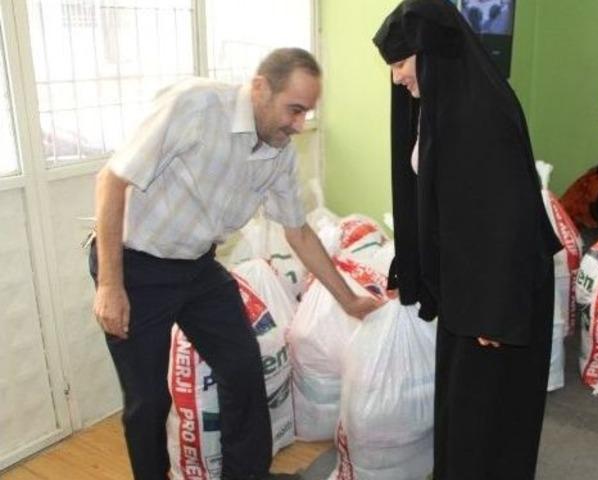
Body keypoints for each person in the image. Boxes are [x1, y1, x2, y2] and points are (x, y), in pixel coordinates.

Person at [89, 48, 378, 480]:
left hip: (197, 266)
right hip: (135, 267)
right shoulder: (195, 105)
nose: (300, 125)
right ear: (261, 88)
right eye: (294, 109)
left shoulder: (279, 151)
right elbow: (111, 181)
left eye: (306, 113)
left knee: (242, 368)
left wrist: (349, 301)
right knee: (148, 401)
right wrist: (110, 285)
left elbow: (299, 232)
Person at [372, 1, 562, 478]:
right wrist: (412, 263)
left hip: (497, 296)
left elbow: (508, 219)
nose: (396, 77)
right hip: (468, 285)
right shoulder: (437, 104)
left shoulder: (483, 111)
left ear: (431, 52)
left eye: (401, 62)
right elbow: (437, 203)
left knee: (487, 420)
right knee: (462, 414)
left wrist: (494, 311)